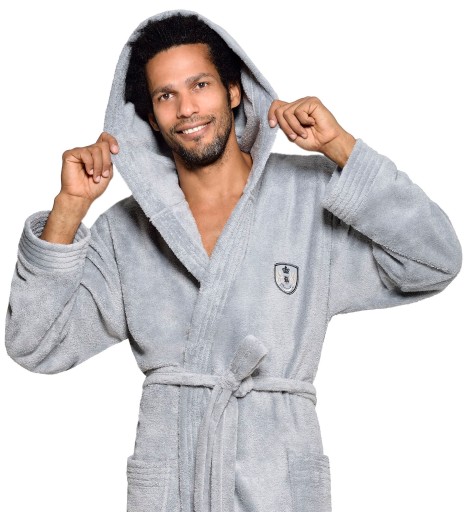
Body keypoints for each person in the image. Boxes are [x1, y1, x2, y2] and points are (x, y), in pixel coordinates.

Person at [5, 9, 462, 512]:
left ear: (234, 91)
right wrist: (70, 208)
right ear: (151, 117)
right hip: (175, 484)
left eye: (200, 85)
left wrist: (340, 147)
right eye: (166, 96)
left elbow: (435, 259)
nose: (186, 108)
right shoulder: (126, 231)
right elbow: (34, 344)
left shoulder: (308, 200)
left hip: (278, 481)